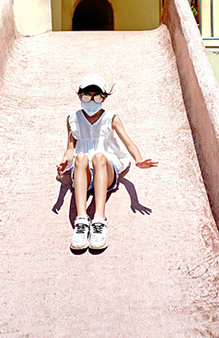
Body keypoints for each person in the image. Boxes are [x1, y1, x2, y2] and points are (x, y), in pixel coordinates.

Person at [56, 73, 157, 251]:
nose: (92, 100)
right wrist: (65, 160)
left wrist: (139, 159)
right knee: (81, 157)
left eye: (97, 96)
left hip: (106, 170)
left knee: (98, 157)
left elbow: (128, 142)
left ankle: (99, 220)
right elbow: (71, 148)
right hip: (83, 173)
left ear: (103, 97)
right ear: (80, 96)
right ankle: (81, 221)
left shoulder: (111, 118)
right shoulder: (72, 118)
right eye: (87, 95)